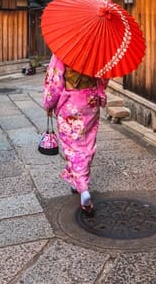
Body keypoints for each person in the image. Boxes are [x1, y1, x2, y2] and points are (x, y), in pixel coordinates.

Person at [42, 54, 108, 215]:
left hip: (71, 103)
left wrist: (48, 103)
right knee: (87, 143)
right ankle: (75, 181)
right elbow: (104, 77)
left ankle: (83, 189)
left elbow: (55, 81)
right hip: (90, 101)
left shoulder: (64, 52)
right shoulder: (97, 50)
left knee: (72, 146)